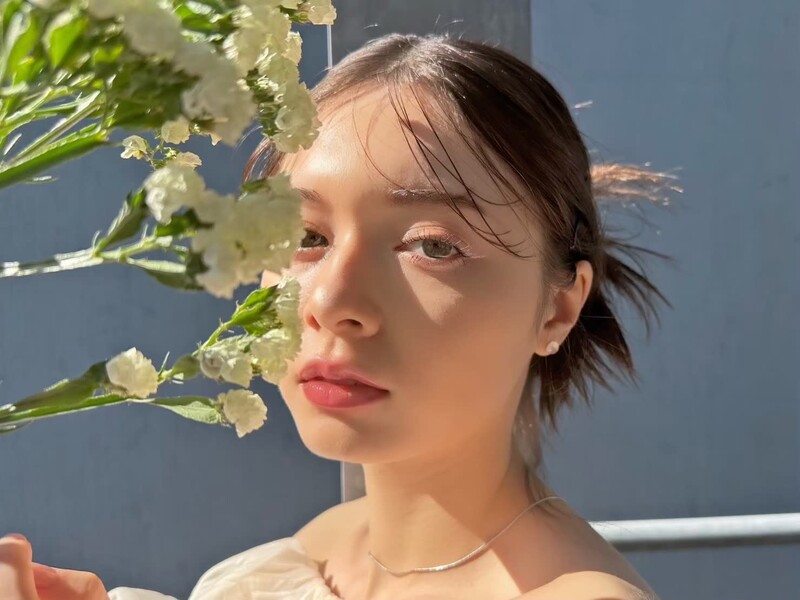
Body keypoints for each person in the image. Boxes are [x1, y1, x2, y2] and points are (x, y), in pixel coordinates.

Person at [1, 32, 675, 600]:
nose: (331, 302)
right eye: (306, 236)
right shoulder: (319, 555)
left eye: (433, 246)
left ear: (558, 308)